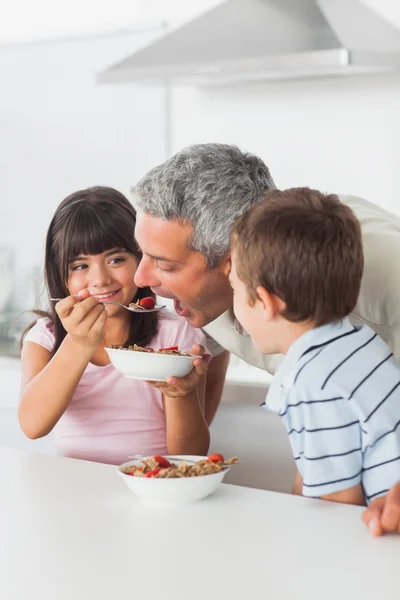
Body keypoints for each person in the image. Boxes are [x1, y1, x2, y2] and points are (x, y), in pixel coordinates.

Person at [131, 142, 400, 534]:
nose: (141, 279)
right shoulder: (218, 299)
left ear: (232, 265)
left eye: (165, 265)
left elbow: (333, 502)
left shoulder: (375, 264)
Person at [229, 186, 400, 508]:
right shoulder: (359, 342)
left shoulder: (312, 383)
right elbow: (315, 471)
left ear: (265, 302)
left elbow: (337, 503)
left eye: (234, 288)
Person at [18, 186, 210, 465]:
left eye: (116, 259)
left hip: (152, 485)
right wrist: (79, 342)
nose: (100, 279)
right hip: (75, 487)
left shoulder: (176, 332)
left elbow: (191, 456)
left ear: (141, 259)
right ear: (60, 275)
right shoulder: (45, 337)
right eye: (80, 266)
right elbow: (32, 426)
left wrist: (182, 394)